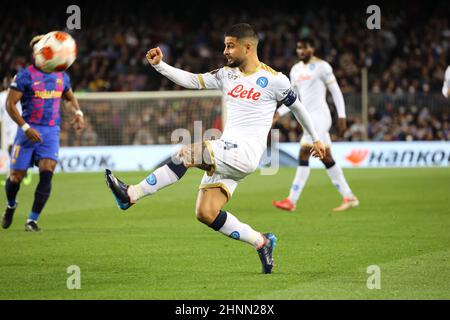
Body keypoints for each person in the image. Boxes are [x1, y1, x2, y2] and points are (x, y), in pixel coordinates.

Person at [105, 23, 325, 274]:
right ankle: (262, 242)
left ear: (248, 47)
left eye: (230, 46)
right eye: (225, 45)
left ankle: (131, 194)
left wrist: (315, 138)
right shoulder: (226, 75)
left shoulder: (275, 80)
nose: (225, 51)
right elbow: (192, 81)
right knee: (206, 212)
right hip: (227, 150)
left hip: (246, 152)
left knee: (186, 153)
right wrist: (159, 66)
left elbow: (298, 107)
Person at [2, 35, 85, 232]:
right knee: (16, 177)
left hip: (50, 132)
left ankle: (32, 220)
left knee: (47, 174)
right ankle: (11, 205)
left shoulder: (62, 76)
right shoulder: (24, 76)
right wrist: (25, 128)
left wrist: (78, 113)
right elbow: (10, 104)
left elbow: (69, 98)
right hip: (27, 130)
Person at [272, 38, 359, 212]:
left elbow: (336, 92)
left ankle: (291, 200)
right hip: (307, 118)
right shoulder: (295, 70)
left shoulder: (322, 67)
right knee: (327, 157)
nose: (301, 51)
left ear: (312, 48)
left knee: (304, 152)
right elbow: (293, 97)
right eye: (298, 48)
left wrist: (341, 117)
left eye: (305, 48)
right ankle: (349, 197)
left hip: (321, 117)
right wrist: (278, 113)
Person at [0, 77, 33, 186]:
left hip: (17, 124)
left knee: (13, 148)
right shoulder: (2, 96)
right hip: (6, 127)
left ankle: (24, 172)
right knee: (9, 149)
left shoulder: (17, 94)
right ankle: (12, 175)